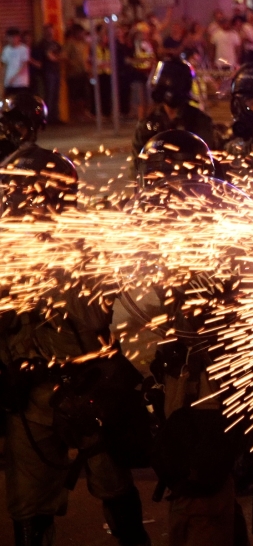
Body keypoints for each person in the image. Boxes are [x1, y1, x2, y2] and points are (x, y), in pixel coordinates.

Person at [1, 147, 152, 546]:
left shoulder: (84, 247)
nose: (12, 198)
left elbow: (107, 322)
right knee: (33, 506)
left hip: (86, 394)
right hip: (30, 396)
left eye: (20, 189)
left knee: (111, 488)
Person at [132, 134, 248, 546]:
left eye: (162, 179)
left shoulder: (214, 226)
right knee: (207, 491)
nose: (156, 190)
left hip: (205, 380)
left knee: (199, 488)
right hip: (188, 374)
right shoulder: (204, 217)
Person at [132, 59, 216, 168]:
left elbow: (209, 161)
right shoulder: (148, 125)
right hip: (157, 182)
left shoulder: (199, 121)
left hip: (190, 181)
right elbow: (136, 166)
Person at [0, 93, 47, 161]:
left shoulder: (40, 158)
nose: (11, 129)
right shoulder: (3, 149)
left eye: (20, 125)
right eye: (9, 123)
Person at [32, 26, 61, 124]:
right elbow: (50, 57)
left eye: (51, 31)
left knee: (56, 95)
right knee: (49, 95)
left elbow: (62, 55)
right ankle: (47, 118)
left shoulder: (55, 43)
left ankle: (55, 117)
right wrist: (55, 57)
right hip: (47, 72)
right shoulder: (42, 44)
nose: (50, 33)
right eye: (48, 31)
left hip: (56, 71)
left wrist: (56, 57)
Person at [2, 28, 31, 97]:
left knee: (20, 102)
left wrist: (14, 77)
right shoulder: (6, 50)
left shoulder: (24, 49)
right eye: (10, 37)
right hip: (9, 83)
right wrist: (3, 81)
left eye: (15, 37)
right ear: (7, 38)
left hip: (21, 82)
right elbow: (5, 66)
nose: (13, 39)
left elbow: (24, 65)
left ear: (19, 38)